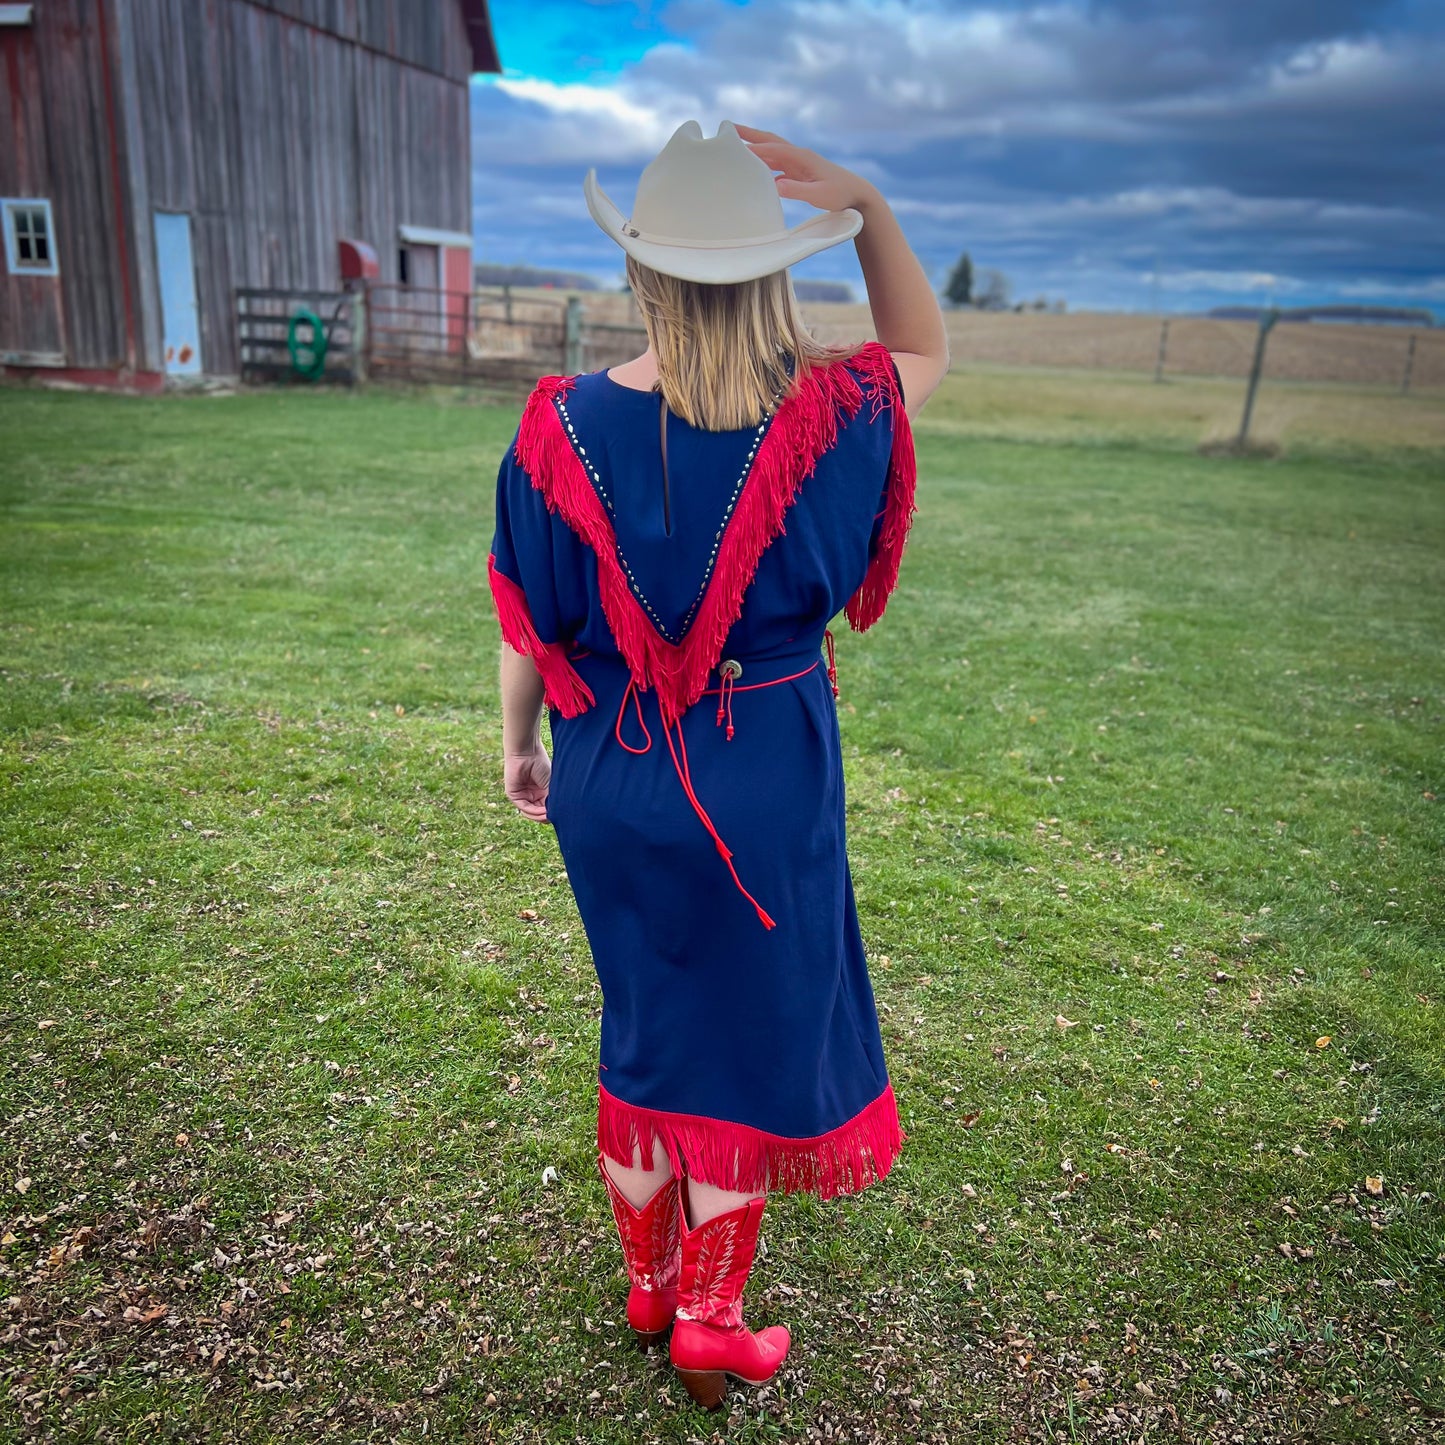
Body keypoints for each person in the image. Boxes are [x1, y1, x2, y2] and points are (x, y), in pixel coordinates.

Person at [487, 119, 949, 1410]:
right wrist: (866, 203)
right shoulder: (844, 410)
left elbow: (523, 610)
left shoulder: (558, 421)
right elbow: (921, 346)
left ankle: (646, 1279)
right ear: (774, 272)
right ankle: (707, 1315)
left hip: (607, 770)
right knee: (739, 1045)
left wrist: (518, 743)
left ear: (640, 272)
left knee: (647, 1025)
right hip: (763, 767)